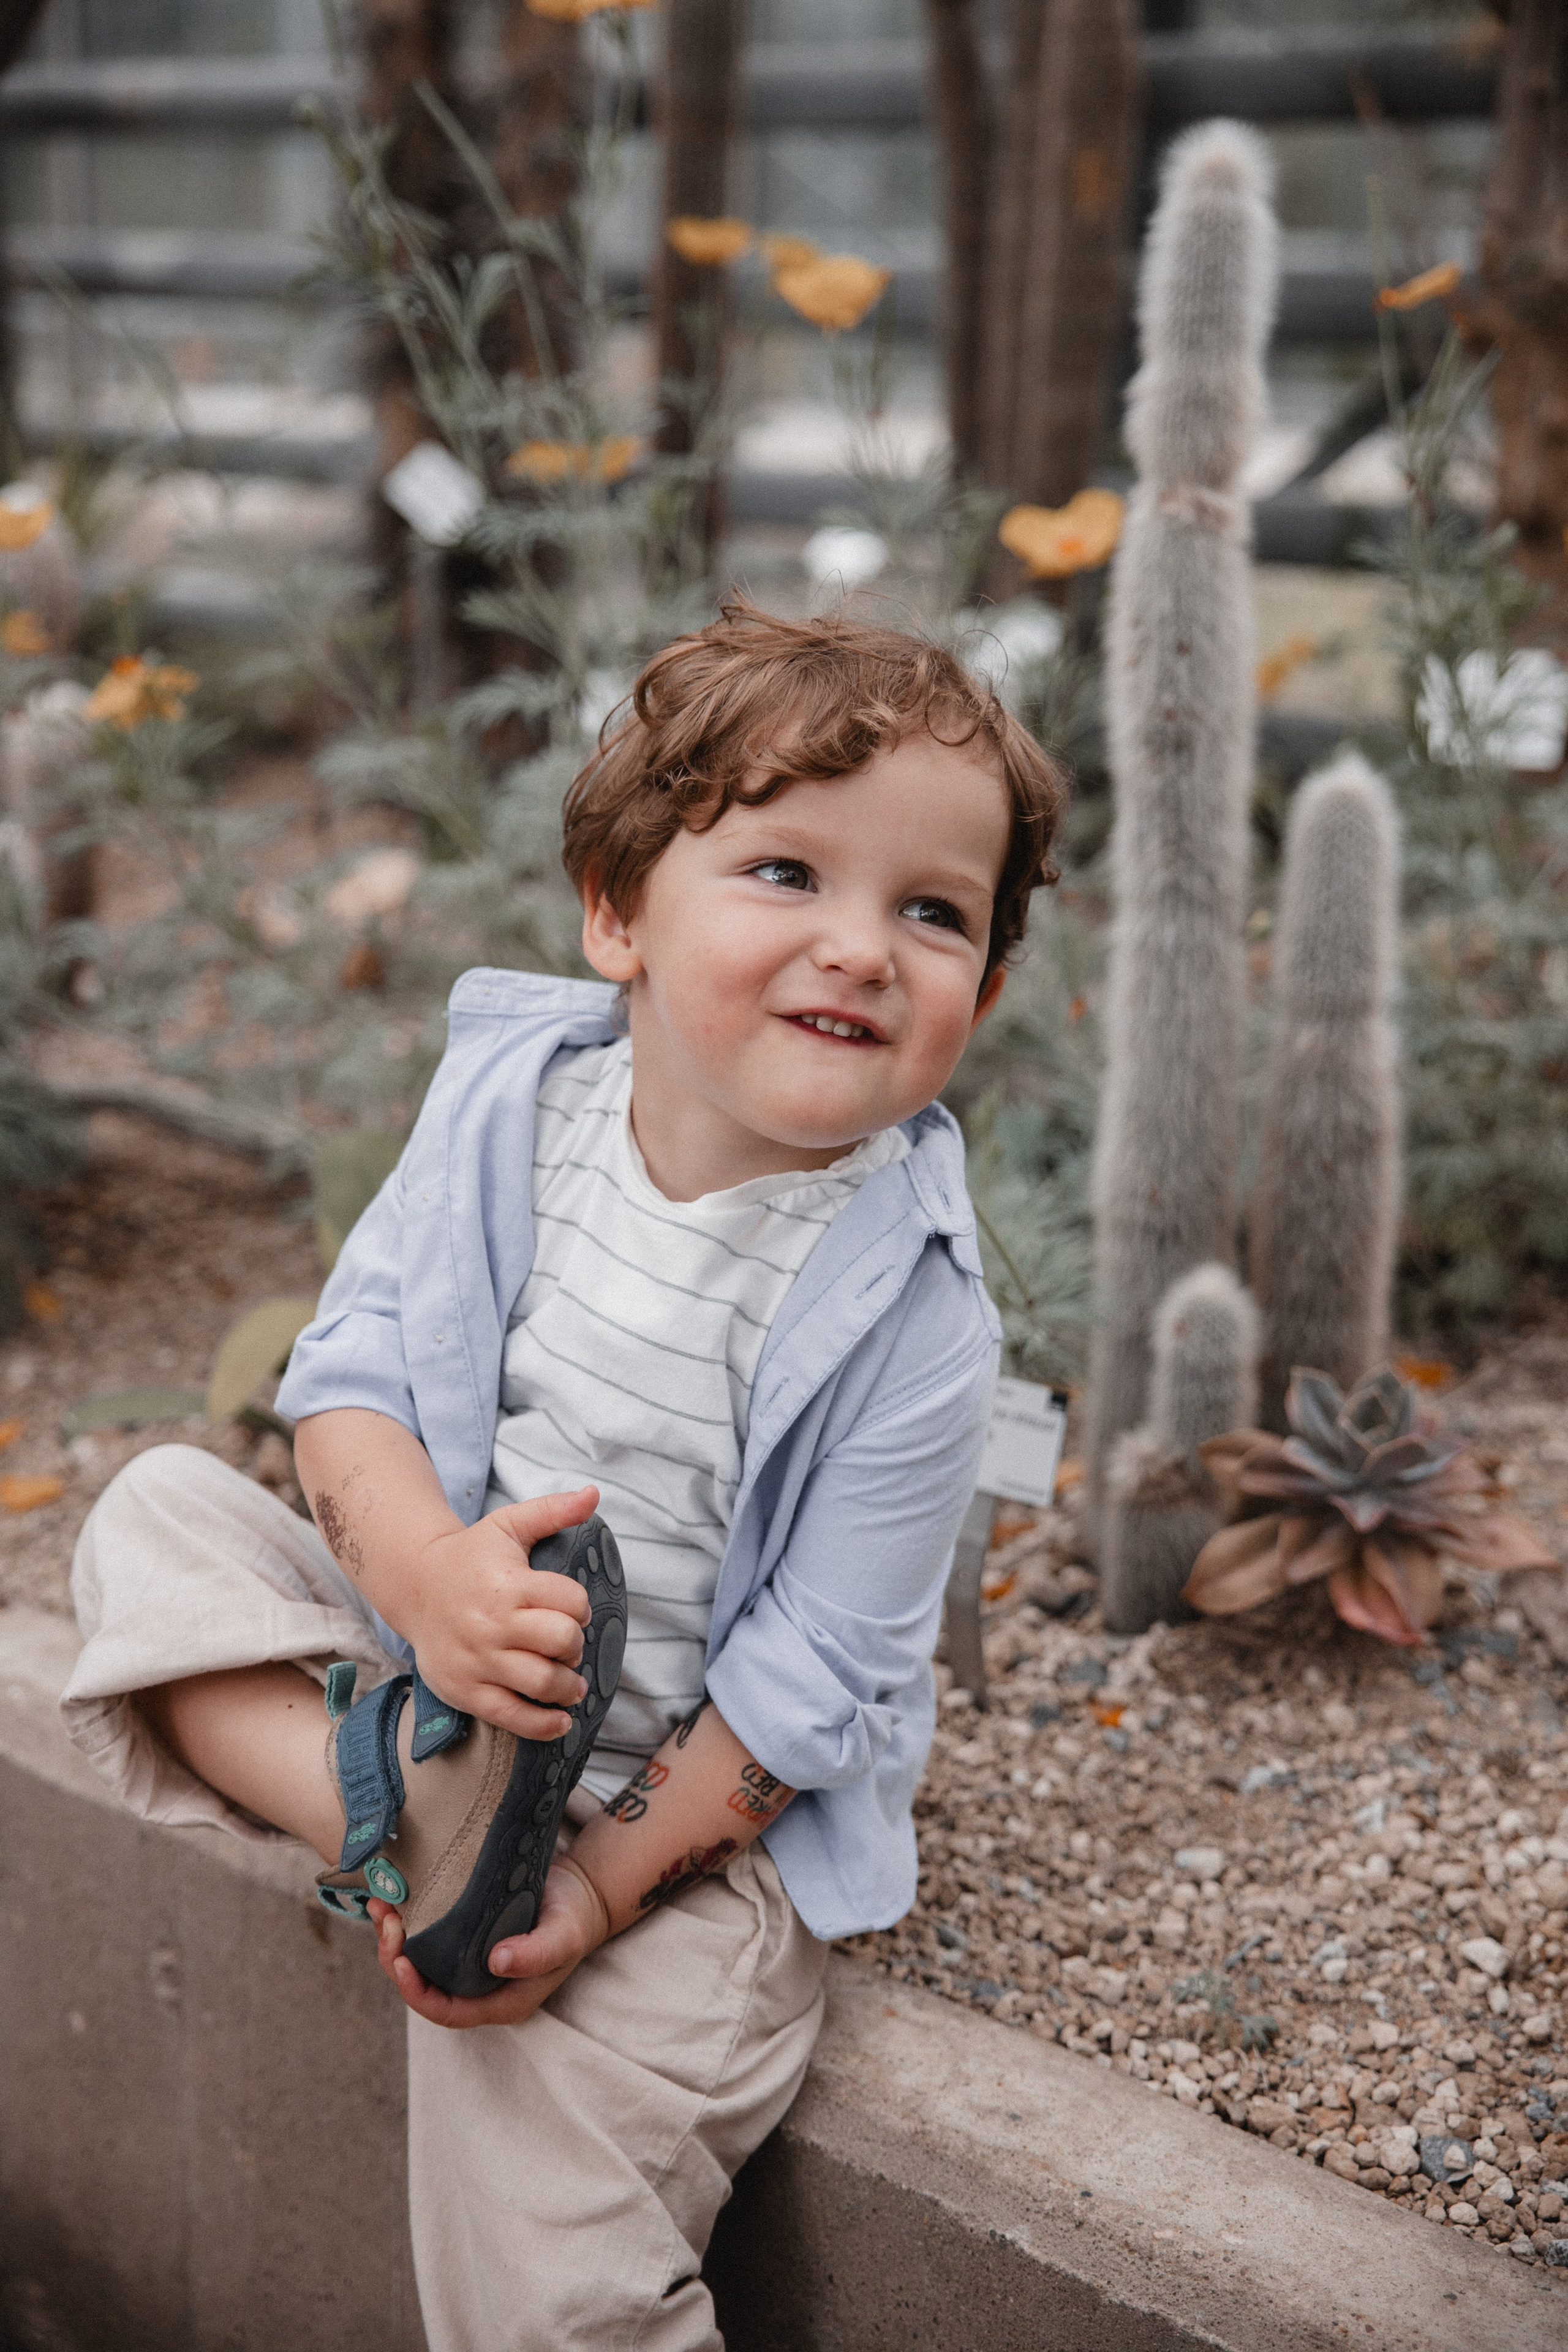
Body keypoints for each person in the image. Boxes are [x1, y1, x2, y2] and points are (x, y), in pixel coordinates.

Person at [61, 600, 1064, 2351]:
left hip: (681, 1823)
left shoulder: (911, 1302)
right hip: (437, 1678)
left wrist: (598, 1885)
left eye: (933, 913)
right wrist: (438, 1583)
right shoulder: (514, 1109)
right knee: (153, 1520)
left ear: (979, 983)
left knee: (536, 2262)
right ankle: (411, 1822)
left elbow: (814, 1682)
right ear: (618, 912)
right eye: (786, 873)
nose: (862, 947)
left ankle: (475, 1870)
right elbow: (351, 1384)